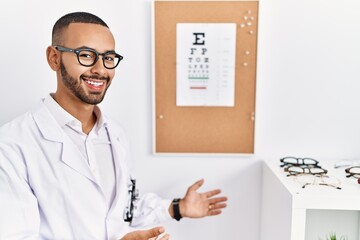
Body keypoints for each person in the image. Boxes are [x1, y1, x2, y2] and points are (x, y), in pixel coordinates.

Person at [0, 12, 227, 240]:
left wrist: (177, 208)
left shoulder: (114, 134)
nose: (100, 69)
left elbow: (120, 211)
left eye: (108, 58)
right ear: (54, 58)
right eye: (86, 55)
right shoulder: (12, 145)